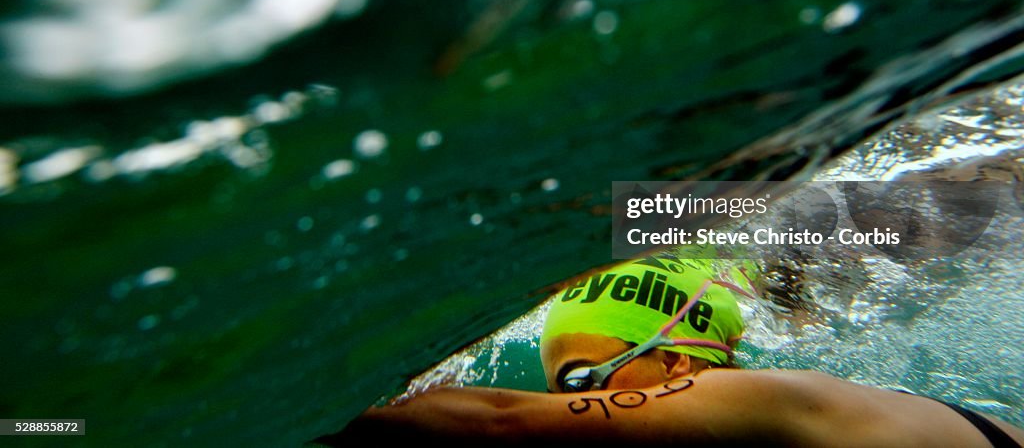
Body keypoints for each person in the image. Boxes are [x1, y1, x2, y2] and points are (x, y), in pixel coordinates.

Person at [320, 254, 1024, 446]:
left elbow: (501, 420)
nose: (583, 408)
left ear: (680, 360)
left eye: (586, 381)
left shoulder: (776, 404)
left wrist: (312, 412)